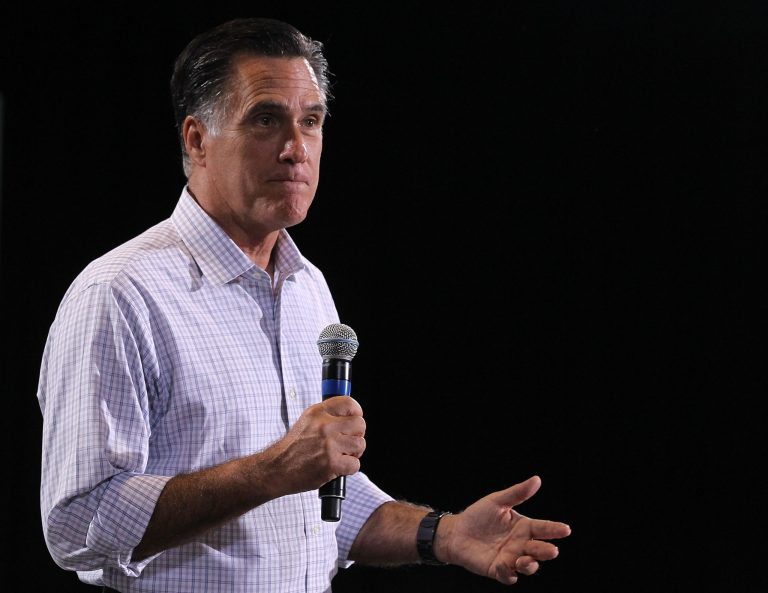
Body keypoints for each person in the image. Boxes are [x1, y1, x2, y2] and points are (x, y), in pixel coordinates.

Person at [36, 17, 572, 592]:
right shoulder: (120, 295)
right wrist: (270, 473)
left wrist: (442, 534)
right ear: (196, 140)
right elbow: (75, 521)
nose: (296, 149)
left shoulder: (307, 287)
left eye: (310, 122)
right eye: (267, 119)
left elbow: (321, 505)